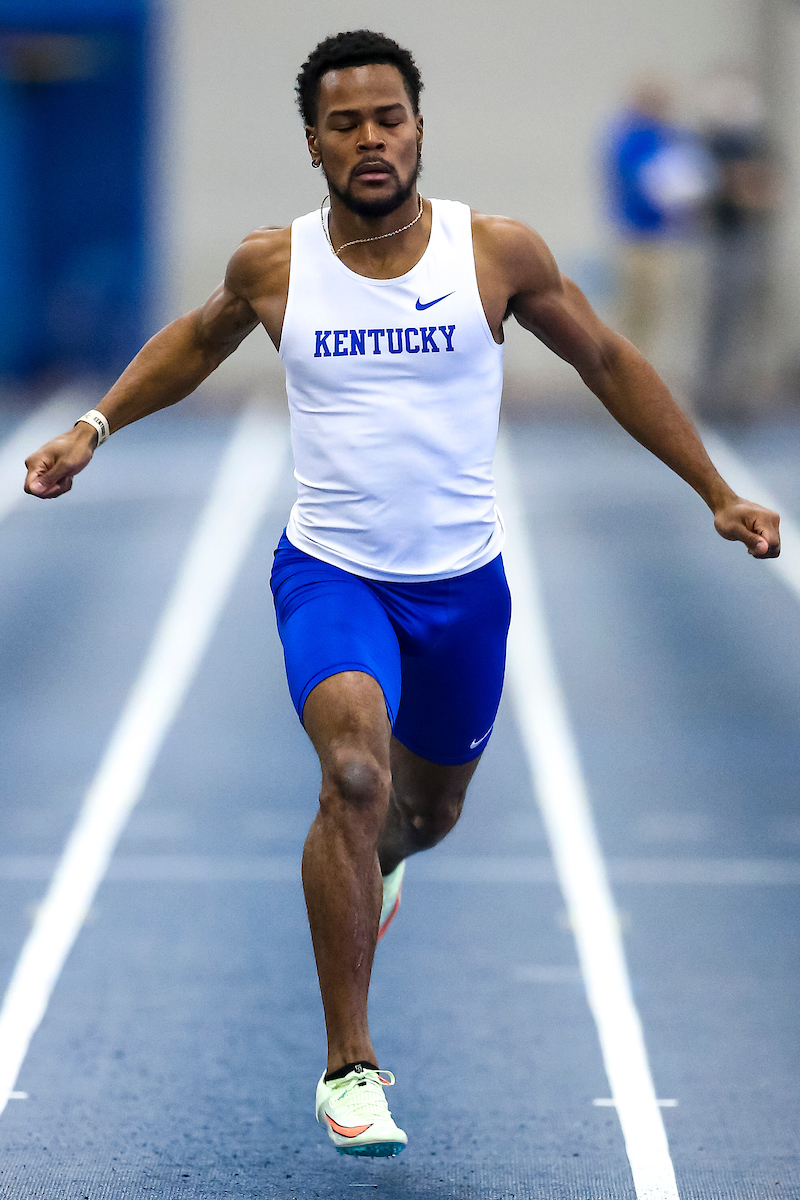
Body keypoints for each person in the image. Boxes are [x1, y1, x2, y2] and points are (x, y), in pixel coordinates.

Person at [24, 30, 780, 1160]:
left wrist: (715, 490)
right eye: (345, 125)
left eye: (388, 119)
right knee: (354, 773)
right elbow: (194, 342)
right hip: (331, 573)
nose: (370, 140)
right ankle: (350, 1067)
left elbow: (608, 361)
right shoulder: (274, 265)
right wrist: (92, 427)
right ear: (314, 143)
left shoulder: (495, 254)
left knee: (424, 815)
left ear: (418, 128)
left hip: (461, 590)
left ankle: (378, 864)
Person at [604, 76, 710, 359]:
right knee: (633, 309)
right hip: (637, 235)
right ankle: (621, 367)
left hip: (665, 235)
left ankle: (643, 364)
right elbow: (635, 184)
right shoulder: (629, 138)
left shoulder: (672, 136)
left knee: (655, 311)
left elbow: (696, 175)